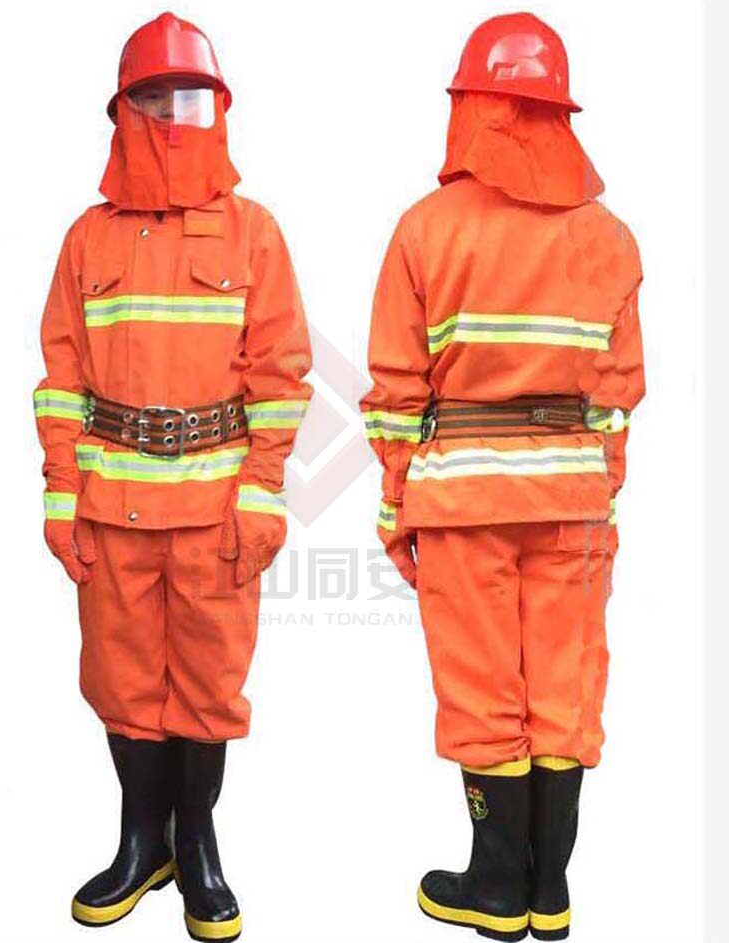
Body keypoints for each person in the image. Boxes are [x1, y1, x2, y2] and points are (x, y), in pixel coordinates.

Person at [360, 13, 644, 941]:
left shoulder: (425, 230)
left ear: (472, 107)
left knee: (484, 691)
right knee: (563, 689)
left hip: (462, 500)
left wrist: (398, 504)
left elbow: (395, 391)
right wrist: (599, 491)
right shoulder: (611, 238)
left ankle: (495, 883)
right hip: (572, 501)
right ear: (559, 113)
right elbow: (618, 393)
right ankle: (550, 888)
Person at [33, 13, 312, 941]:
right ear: (120, 114)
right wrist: (61, 494)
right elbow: (61, 378)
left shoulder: (254, 234)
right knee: (121, 682)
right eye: (150, 100)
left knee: (207, 685)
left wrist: (262, 496)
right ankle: (139, 840)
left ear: (218, 110)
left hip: (214, 515)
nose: (167, 120)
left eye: (185, 100)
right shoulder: (87, 239)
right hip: (113, 510)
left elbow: (281, 378)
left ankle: (197, 842)